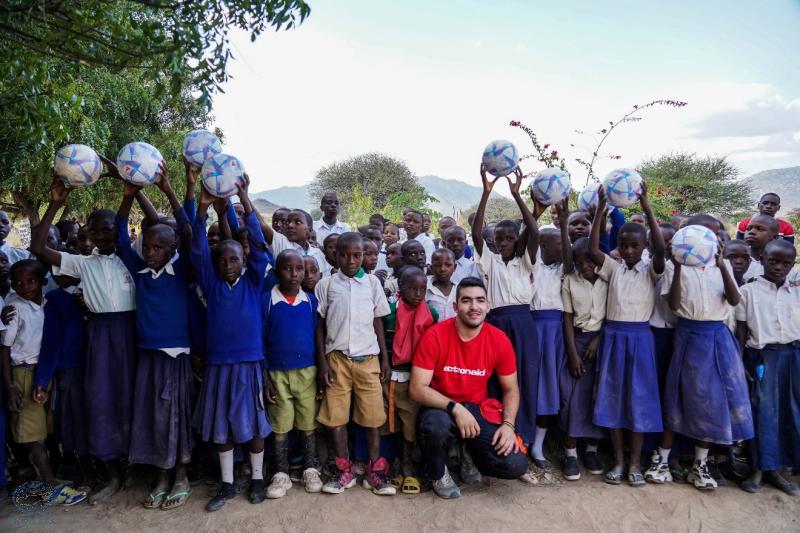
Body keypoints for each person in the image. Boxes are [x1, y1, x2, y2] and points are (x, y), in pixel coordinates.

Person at [31, 174, 137, 504]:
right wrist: (56, 205)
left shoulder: (131, 259)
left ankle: (136, 468)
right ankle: (111, 474)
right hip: (100, 337)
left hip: (131, 333)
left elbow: (123, 225)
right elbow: (37, 248)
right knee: (101, 400)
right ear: (87, 234)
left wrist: (129, 196)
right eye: (96, 231)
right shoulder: (81, 263)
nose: (103, 236)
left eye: (109, 230)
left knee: (131, 397)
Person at [645, 214, 753, 491]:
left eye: (715, 235)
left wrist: (720, 265)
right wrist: (679, 268)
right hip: (689, 335)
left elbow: (732, 299)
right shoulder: (674, 267)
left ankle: (700, 464)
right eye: (703, 233)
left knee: (713, 401)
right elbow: (676, 306)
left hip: (717, 337)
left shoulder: (723, 264)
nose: (709, 240)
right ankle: (662, 459)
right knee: (678, 395)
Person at [190, 178, 272, 511]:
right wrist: (203, 206)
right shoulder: (210, 283)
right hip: (218, 365)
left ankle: (256, 479)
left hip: (249, 364)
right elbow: (196, 247)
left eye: (235, 259)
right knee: (220, 426)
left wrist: (244, 197)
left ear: (244, 260)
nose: (228, 264)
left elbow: (258, 243)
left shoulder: (254, 281)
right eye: (222, 260)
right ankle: (226, 484)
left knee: (253, 425)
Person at [115, 172, 195, 510]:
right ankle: (160, 475)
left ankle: (180, 475)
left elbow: (190, 232)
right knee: (154, 417)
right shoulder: (139, 271)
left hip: (176, 357)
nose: (150, 252)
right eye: (147, 247)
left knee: (177, 416)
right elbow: (120, 238)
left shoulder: (183, 272)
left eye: (159, 247)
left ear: (172, 249)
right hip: (148, 355)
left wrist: (169, 190)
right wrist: (128, 195)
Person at [411, 277, 528, 499]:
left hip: (478, 410)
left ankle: (468, 454)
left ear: (488, 305)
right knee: (435, 427)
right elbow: (417, 389)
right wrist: (455, 407)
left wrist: (509, 425)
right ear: (455, 307)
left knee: (515, 464)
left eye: (479, 300)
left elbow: (511, 389)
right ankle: (438, 472)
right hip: (441, 407)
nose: (474, 307)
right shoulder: (435, 336)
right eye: (466, 301)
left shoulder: (499, 340)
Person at [587, 183, 665, 486]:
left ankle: (635, 463)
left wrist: (646, 204)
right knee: (614, 400)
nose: (629, 250)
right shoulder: (614, 268)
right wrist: (601, 213)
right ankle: (618, 461)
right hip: (614, 338)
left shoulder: (651, 269)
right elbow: (594, 250)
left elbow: (660, 249)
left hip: (640, 339)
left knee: (639, 401)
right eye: (624, 244)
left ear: (643, 246)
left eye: (635, 245)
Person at [1, 259, 87, 505]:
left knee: (47, 429)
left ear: (42, 281)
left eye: (31, 281)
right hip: (23, 373)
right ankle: (50, 487)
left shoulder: (50, 303)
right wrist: (9, 386)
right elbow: (4, 350)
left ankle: (52, 477)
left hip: (45, 371)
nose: (24, 286)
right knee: (33, 435)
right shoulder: (14, 308)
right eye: (17, 282)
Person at [314, 232, 393, 495]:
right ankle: (343, 469)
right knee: (336, 418)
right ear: (335, 255)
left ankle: (374, 471)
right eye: (344, 255)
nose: (351, 260)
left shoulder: (372, 284)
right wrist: (323, 364)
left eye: (357, 255)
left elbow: (378, 320)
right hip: (337, 360)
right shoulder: (326, 285)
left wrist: (385, 358)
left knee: (372, 418)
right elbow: (320, 325)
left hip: (368, 359)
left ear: (364, 256)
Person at [472, 165, 542, 453]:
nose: (502, 242)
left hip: (523, 323)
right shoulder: (490, 263)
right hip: (496, 324)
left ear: (517, 240)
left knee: (523, 378)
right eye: (498, 239)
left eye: (509, 238)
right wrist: (486, 193)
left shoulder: (527, 261)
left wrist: (517, 196)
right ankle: (493, 435)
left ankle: (521, 438)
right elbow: (476, 232)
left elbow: (534, 232)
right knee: (493, 380)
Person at [736, 239, 800, 495]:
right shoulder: (748, 292)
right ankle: (758, 468)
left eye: (786, 263)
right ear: (761, 259)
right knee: (762, 411)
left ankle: (779, 469)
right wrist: (740, 362)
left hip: (793, 356)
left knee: (789, 410)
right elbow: (741, 330)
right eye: (773, 261)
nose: (779, 267)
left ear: (793, 265)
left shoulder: (796, 292)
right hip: (763, 357)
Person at [262, 250, 322, 498]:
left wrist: (321, 370)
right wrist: (265, 376)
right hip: (277, 373)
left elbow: (318, 337)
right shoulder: (266, 300)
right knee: (281, 424)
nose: (296, 274)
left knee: (308, 422)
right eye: (288, 268)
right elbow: (259, 340)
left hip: (307, 371)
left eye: (301, 269)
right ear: (277, 272)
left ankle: (309, 467)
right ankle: (281, 473)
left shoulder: (310, 301)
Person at [382, 266, 438, 494]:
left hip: (414, 378)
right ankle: (392, 462)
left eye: (422, 289)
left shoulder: (431, 314)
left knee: (410, 423)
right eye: (412, 288)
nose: (417, 293)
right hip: (388, 377)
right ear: (400, 287)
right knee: (388, 421)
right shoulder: (389, 311)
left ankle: (408, 465)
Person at [33, 267, 90, 486]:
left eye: (66, 268)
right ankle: (80, 464)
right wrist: (42, 379)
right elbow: (51, 342)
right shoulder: (54, 299)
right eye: (56, 270)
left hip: (95, 364)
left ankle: (99, 463)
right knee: (72, 417)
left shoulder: (89, 293)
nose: (61, 274)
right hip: (68, 369)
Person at [528, 200, 571, 469]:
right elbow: (529, 240)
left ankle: (539, 444)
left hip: (554, 330)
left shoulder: (563, 270)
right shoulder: (531, 267)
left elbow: (569, 255)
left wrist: (564, 223)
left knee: (549, 385)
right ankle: (522, 437)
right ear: (543, 246)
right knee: (528, 383)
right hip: (532, 328)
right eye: (558, 242)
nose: (563, 245)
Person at [560, 237, 607, 480]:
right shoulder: (569, 280)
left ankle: (592, 449)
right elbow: (567, 318)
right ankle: (570, 452)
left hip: (602, 343)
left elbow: (613, 314)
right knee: (572, 397)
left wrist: (598, 341)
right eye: (579, 262)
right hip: (577, 342)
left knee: (596, 396)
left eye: (589, 260)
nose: (585, 266)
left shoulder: (609, 280)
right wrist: (572, 354)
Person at [265, 207, 331, 278]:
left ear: (310, 229)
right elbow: (260, 226)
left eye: (298, 222)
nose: (290, 225)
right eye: (288, 222)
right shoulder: (281, 243)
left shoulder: (318, 253)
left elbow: (325, 279)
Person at [426, 248, 456, 321]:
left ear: (455, 267)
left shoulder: (460, 289)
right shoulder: (425, 289)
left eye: (448, 265)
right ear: (431, 268)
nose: (443, 269)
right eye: (437, 265)